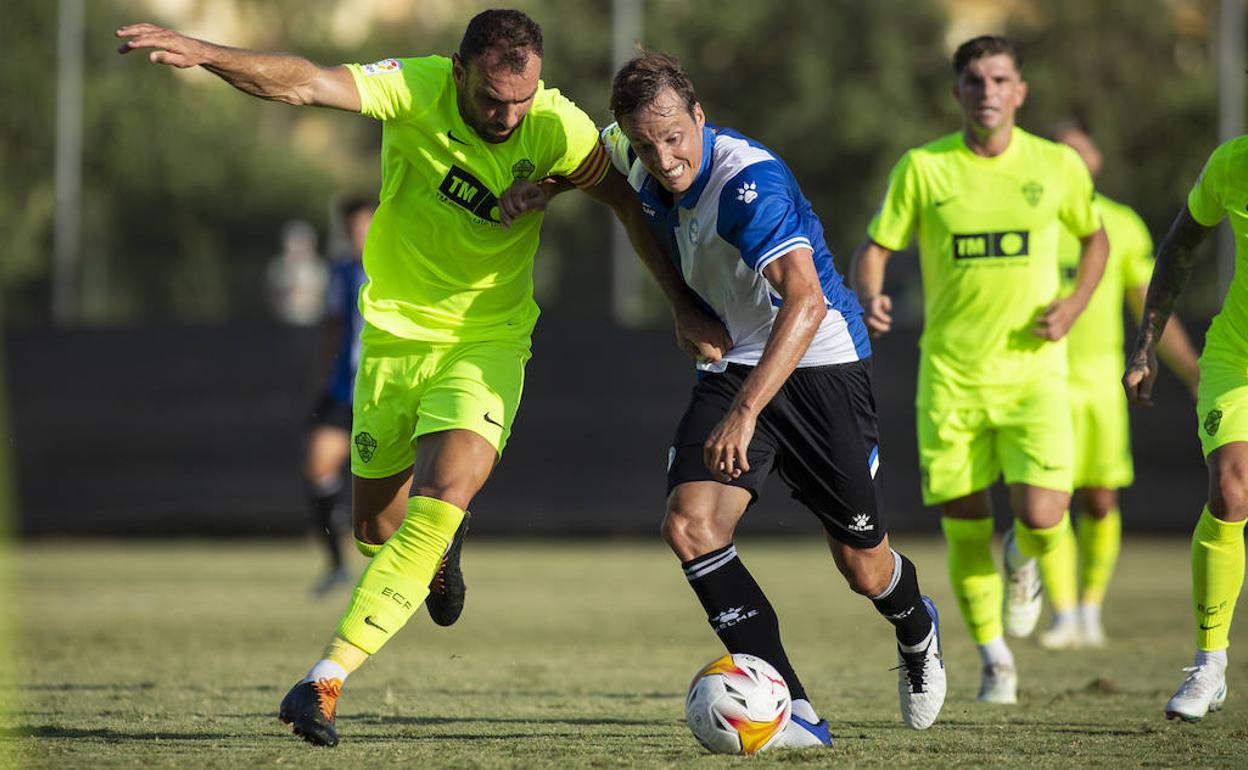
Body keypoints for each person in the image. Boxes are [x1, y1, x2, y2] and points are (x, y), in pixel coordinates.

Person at [117, 10, 728, 748]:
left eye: (522, 99)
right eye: (494, 99)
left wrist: (682, 305)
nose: (509, 116)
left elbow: (627, 204)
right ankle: (435, 552)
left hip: (488, 340)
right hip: (394, 339)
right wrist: (202, 51)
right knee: (378, 530)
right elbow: (305, 82)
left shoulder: (556, 124)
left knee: (447, 494)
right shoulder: (415, 87)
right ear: (460, 70)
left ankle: (323, 679)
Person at [521, 50, 948, 739]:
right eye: (644, 143)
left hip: (817, 365)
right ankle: (796, 713)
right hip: (729, 363)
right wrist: (540, 190)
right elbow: (581, 162)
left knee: (865, 569)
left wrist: (747, 412)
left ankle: (916, 625)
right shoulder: (631, 150)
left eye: (674, 138)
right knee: (691, 526)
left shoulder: (748, 186)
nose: (662, 158)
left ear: (699, 117)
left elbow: (805, 305)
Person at [850, 35, 1108, 705]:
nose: (987, 91)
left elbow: (1096, 238)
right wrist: (869, 291)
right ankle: (994, 659)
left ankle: (1024, 559)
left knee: (1045, 515)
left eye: (999, 79)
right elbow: (875, 248)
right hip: (952, 377)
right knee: (965, 524)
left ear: (1019, 91)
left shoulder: (1056, 166)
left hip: (1035, 374)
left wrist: (1075, 303)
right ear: (958, 92)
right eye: (974, 80)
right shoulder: (924, 168)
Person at [1044, 123, 1200, 648]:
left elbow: (1151, 304)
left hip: (1099, 387)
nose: (1072, 159)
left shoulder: (1122, 224)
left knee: (1101, 501)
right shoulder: (1033, 218)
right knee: (1049, 501)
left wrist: (1191, 369)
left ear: (1096, 159)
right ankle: (1063, 614)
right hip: (1043, 385)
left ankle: (1090, 609)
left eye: (1080, 150)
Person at [1124, 135, 1248, 722]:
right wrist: (1146, 346)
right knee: (1230, 490)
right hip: (1237, 359)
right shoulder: (1232, 162)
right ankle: (1209, 665)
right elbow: (1179, 246)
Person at [304, 197, 375, 596]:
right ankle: (335, 564)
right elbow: (333, 327)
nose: (357, 235)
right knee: (316, 467)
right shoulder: (342, 271)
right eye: (352, 228)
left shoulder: (400, 263)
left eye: (363, 226)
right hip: (344, 391)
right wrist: (322, 376)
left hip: (386, 393)